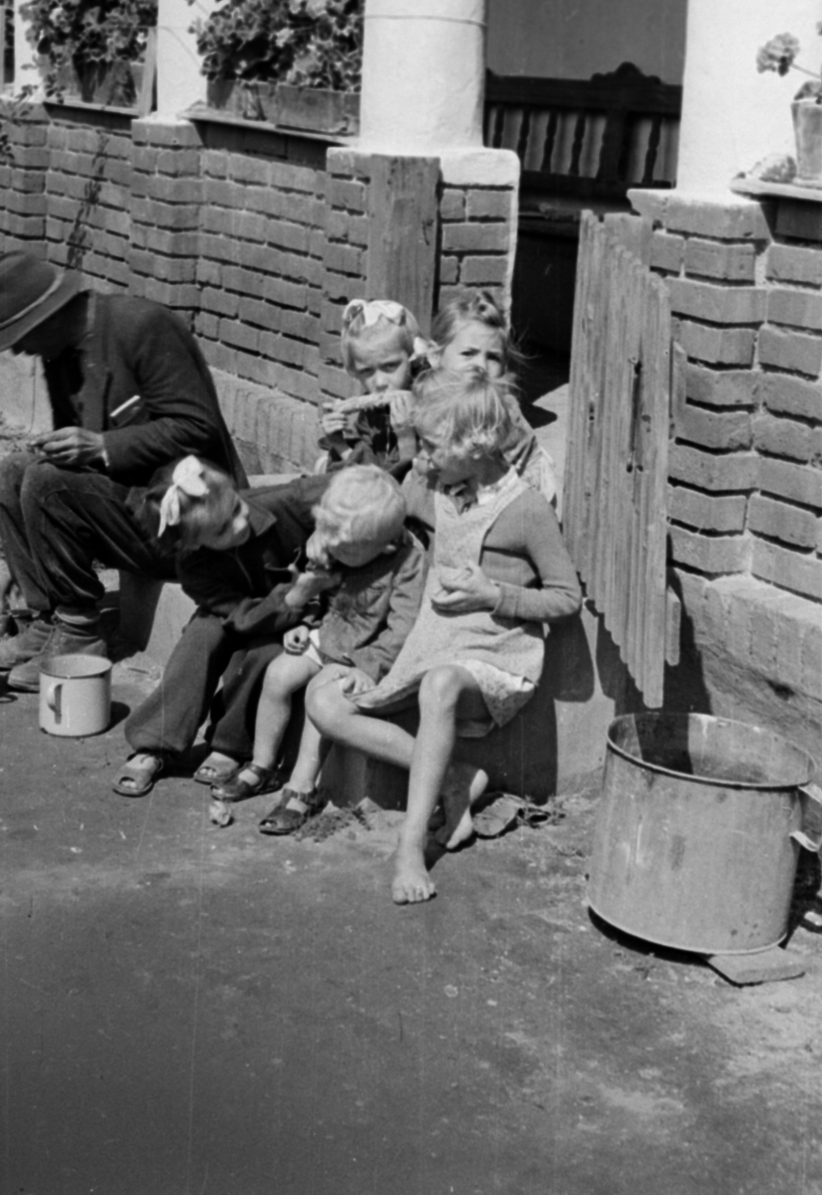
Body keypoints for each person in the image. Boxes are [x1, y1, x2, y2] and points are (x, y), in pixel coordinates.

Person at [307, 371, 581, 906]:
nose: (422, 458)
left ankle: (410, 846)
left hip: (494, 656)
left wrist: (496, 594)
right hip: (430, 644)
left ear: (472, 446)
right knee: (324, 702)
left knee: (438, 685)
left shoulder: (525, 509)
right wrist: (327, 528)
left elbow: (566, 598)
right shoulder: (435, 486)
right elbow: (375, 504)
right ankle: (455, 776)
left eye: (431, 447)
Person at [0, 250, 245, 687]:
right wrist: (29, 559)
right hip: (130, 507)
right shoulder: (60, 353)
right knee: (12, 473)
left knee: (47, 480)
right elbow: (75, 471)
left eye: (20, 335)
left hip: (192, 522)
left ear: (48, 315)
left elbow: (198, 427)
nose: (19, 349)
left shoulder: (142, 326)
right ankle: (48, 619)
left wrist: (102, 445)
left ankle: (79, 633)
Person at [212, 465, 425, 836]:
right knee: (278, 674)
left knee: (317, 693)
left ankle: (302, 787)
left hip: (362, 654)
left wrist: (367, 667)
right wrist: (304, 622)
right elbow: (317, 593)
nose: (334, 552)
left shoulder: (406, 562)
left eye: (346, 551)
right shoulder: (336, 538)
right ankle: (263, 764)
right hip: (328, 635)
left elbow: (402, 629)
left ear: (383, 545)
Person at [112, 459, 329, 797]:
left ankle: (230, 744)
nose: (241, 522)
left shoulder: (284, 502)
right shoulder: (193, 567)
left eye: (237, 507)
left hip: (298, 613)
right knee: (200, 636)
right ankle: (155, 742)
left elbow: (352, 485)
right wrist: (289, 599)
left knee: (265, 654)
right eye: (223, 529)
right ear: (193, 543)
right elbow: (240, 616)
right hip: (247, 611)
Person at [429, 288, 558, 504]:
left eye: (493, 357)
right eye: (468, 353)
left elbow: (475, 481)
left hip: (508, 498)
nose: (480, 365)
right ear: (435, 356)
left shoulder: (500, 415)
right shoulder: (430, 397)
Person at [317, 298, 428, 474]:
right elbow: (367, 474)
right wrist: (339, 444)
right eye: (367, 371)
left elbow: (409, 483)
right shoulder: (371, 415)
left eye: (390, 366)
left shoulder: (429, 408)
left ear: (412, 358)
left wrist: (406, 440)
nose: (380, 383)